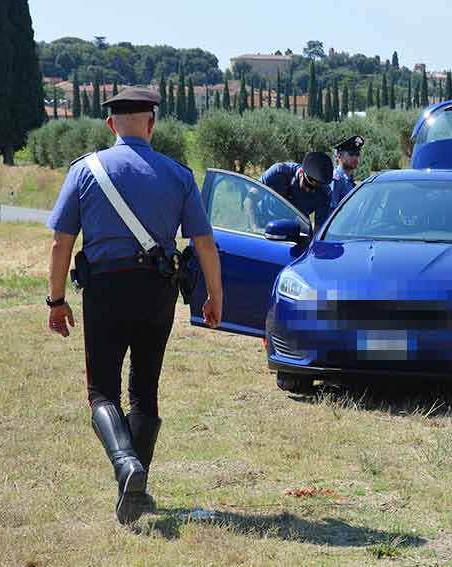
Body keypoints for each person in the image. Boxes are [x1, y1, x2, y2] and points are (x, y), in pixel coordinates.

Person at [46, 86, 224, 524]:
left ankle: (127, 466)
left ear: (111, 125)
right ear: (152, 122)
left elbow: (60, 242)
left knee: (101, 391)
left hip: (106, 288)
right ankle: (135, 494)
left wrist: (56, 300)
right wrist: (214, 296)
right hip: (159, 290)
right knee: (144, 390)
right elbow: (204, 242)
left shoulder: (84, 171)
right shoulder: (179, 175)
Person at [259, 152, 334, 226]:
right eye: (308, 185)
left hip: (294, 225)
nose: (309, 190)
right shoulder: (278, 172)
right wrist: (254, 226)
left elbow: (319, 226)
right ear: (301, 172)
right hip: (264, 218)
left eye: (315, 189)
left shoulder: (324, 194)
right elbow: (251, 197)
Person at [330, 135, 364, 208]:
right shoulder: (335, 181)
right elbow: (332, 212)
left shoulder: (350, 181)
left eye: (357, 154)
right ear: (339, 156)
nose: (355, 158)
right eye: (351, 154)